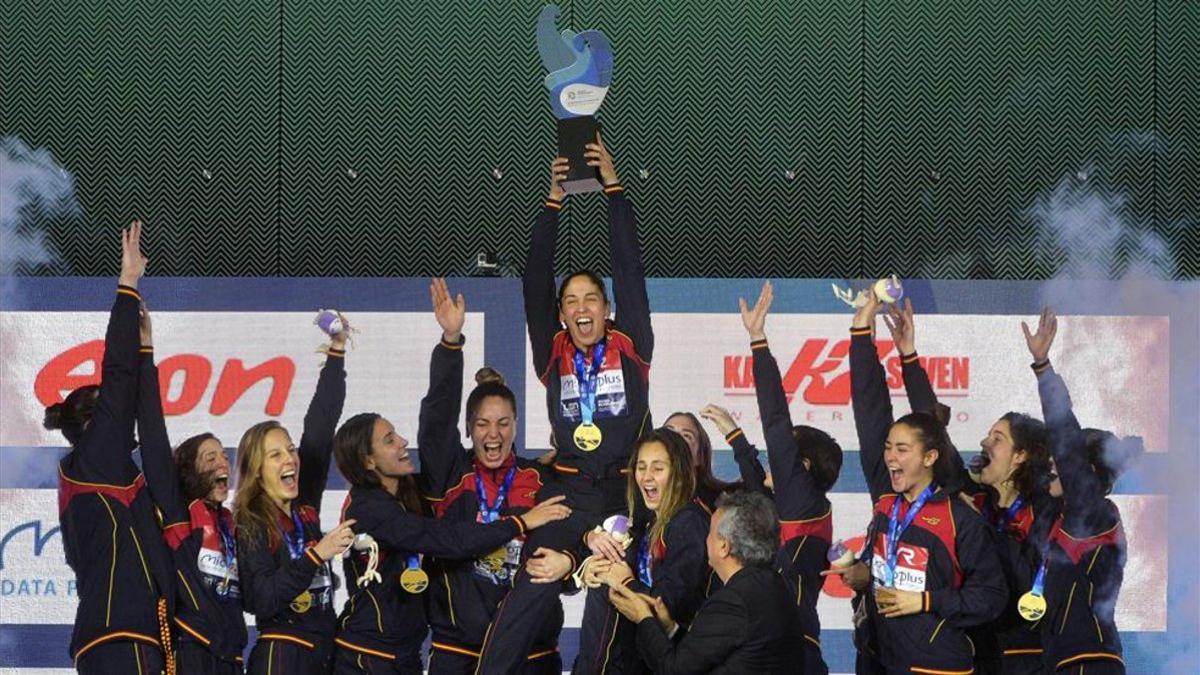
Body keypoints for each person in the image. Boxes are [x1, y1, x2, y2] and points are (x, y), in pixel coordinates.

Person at [478, 135, 655, 672]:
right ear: (561, 314)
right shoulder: (552, 352)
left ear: (607, 309)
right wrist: (552, 203)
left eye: (591, 300)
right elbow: (534, 281)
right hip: (569, 491)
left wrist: (615, 191)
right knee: (534, 576)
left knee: (606, 591)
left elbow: (629, 270)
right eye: (571, 301)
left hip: (624, 497)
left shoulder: (632, 346)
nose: (581, 308)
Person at [830, 291, 1007, 674]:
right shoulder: (887, 503)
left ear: (930, 458)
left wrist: (925, 601)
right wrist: (862, 330)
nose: (891, 457)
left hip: (936, 664)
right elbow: (870, 411)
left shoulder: (960, 515)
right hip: (878, 656)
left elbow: (991, 597)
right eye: (889, 449)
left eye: (902, 450)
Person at [331, 409, 570, 673]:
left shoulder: (406, 494)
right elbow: (449, 539)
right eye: (389, 440)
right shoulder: (368, 508)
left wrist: (538, 469)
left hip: (402, 654)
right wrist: (521, 522)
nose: (403, 441)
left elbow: (464, 479)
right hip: (365, 656)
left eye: (396, 434)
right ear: (368, 462)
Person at [416, 279, 575, 673]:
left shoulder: (540, 480)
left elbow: (567, 543)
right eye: (484, 424)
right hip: (459, 654)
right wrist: (451, 343)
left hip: (531, 654)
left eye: (503, 423)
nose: (494, 434)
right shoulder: (450, 476)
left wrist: (569, 564)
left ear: (516, 426)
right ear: (469, 428)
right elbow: (436, 419)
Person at [48, 221, 177, 673]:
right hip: (119, 638)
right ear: (93, 424)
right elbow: (119, 377)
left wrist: (146, 352)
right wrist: (128, 286)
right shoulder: (93, 459)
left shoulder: (111, 472)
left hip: (131, 636)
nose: (121, 418)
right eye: (110, 413)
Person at [698, 280, 842, 673]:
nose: (779, 457)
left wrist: (758, 340)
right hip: (776, 639)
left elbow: (777, 421)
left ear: (803, 467)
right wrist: (735, 436)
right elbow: (757, 489)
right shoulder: (797, 507)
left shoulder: (804, 502)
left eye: (788, 455)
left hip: (791, 647)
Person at [1024, 308, 1141, 673]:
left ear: (1087, 473)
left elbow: (1066, 442)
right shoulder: (1063, 516)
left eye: (1063, 462)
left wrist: (1043, 368)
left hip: (1088, 661)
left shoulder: (1092, 510)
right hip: (1065, 659)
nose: (1053, 465)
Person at [234, 324, 355, 674]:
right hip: (283, 655)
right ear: (256, 470)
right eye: (275, 455)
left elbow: (319, 428)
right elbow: (261, 599)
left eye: (290, 449)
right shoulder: (251, 520)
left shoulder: (304, 506)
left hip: (325, 651)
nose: (290, 458)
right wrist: (317, 554)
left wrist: (336, 352)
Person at [135, 303, 247, 673]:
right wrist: (146, 351)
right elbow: (152, 436)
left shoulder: (232, 522)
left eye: (224, 457)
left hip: (231, 656)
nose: (222, 464)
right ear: (188, 470)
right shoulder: (178, 510)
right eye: (210, 457)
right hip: (191, 650)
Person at [567, 428, 712, 673]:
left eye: (657, 468)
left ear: (678, 473)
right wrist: (592, 568)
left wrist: (623, 581)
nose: (646, 477)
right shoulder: (648, 521)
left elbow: (666, 607)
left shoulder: (688, 521)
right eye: (641, 467)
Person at [608, 490, 801, 674]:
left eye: (709, 532)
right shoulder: (775, 586)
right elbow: (701, 657)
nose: (705, 539)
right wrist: (670, 628)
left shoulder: (733, 601)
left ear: (724, 546)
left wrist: (643, 618)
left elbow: (673, 670)